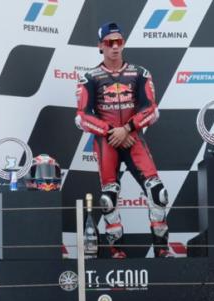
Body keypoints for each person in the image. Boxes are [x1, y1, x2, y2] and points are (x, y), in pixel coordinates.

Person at [75, 22, 169, 258]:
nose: (115, 47)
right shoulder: (89, 78)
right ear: (100, 46)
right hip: (107, 142)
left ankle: (162, 251)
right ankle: (117, 252)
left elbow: (151, 109)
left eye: (119, 42)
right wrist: (111, 132)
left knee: (158, 193)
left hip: (133, 137)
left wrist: (126, 129)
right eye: (109, 42)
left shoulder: (140, 73)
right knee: (108, 199)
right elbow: (83, 117)